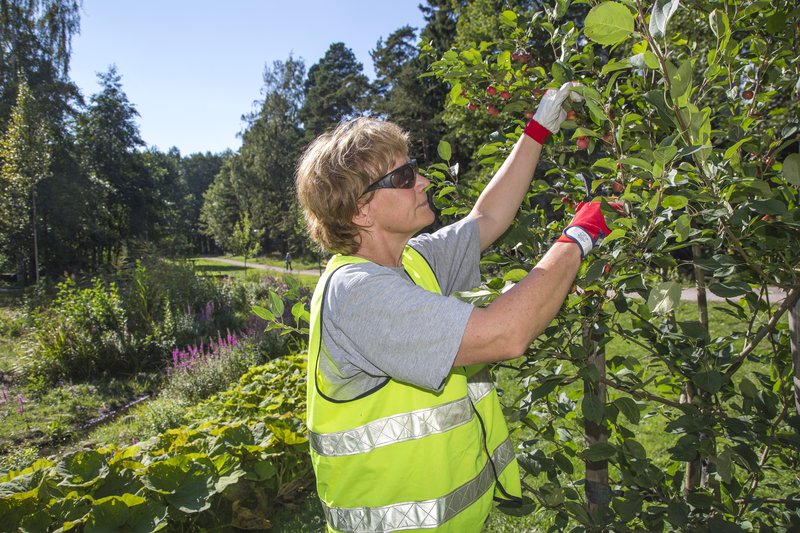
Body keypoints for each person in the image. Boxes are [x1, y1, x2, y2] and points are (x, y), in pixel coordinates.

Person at [295, 83, 617, 532]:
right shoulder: (357, 293)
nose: (422, 181)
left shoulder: (412, 260)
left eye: (415, 169)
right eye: (404, 178)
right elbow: (506, 333)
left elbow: (487, 219)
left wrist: (537, 131)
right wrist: (581, 235)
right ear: (360, 212)